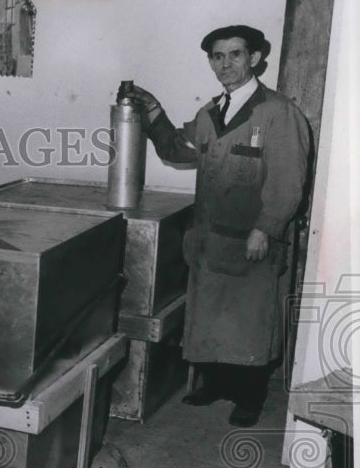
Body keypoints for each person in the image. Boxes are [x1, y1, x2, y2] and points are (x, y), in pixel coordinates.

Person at [130, 25, 311, 427]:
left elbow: (288, 180)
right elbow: (178, 150)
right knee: (211, 318)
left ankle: (250, 396)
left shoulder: (279, 112)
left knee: (250, 323)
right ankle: (216, 385)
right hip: (212, 240)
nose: (225, 64)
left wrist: (266, 227)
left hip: (253, 241)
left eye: (235, 55)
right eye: (217, 56)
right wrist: (154, 112)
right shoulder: (209, 113)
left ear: (255, 59)